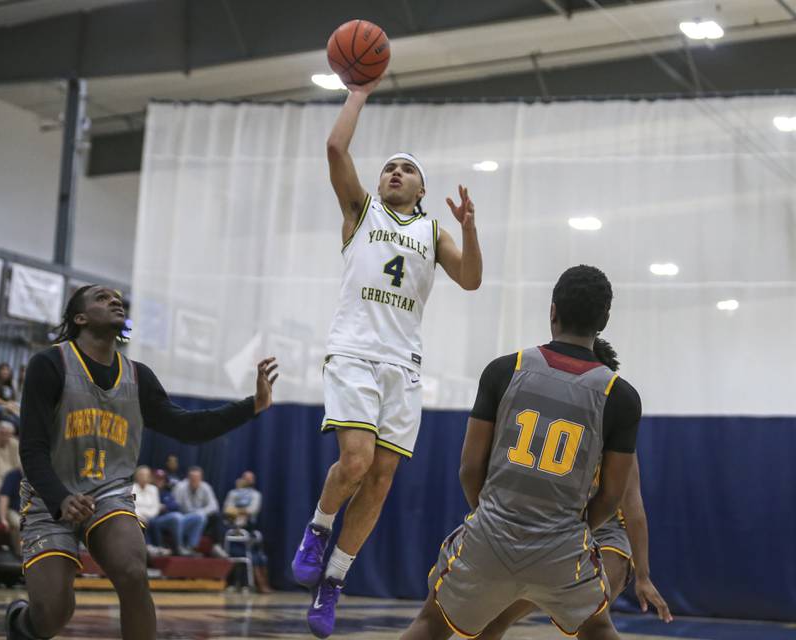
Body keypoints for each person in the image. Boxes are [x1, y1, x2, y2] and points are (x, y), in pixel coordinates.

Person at [291, 76, 483, 638]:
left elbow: (470, 279)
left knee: (379, 481)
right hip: (353, 351)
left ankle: (334, 583)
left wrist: (470, 231)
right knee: (354, 462)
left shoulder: (432, 230)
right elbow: (334, 149)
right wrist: (359, 90)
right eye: (388, 168)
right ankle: (319, 529)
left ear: (421, 187)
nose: (394, 172)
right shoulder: (361, 212)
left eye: (407, 169)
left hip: (404, 366)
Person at [5, 284, 278, 640]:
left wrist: (252, 405)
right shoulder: (51, 364)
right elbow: (32, 449)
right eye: (102, 298)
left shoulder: (138, 376)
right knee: (54, 613)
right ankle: (21, 624)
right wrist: (60, 499)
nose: (115, 300)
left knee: (134, 572)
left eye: (118, 298)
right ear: (80, 317)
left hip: (108, 494)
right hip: (49, 497)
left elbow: (188, 427)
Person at [400, 265, 641, 640]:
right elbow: (612, 496)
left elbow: (469, 468)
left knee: (431, 624)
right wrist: (571, 530)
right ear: (604, 320)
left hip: (491, 535)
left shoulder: (503, 370)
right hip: (562, 547)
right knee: (598, 628)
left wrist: (495, 516)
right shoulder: (621, 397)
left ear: (552, 310)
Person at [476, 339, 672, 639]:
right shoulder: (543, 417)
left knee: (591, 619)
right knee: (493, 620)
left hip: (605, 533)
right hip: (554, 529)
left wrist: (643, 576)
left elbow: (633, 509)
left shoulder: (613, 433)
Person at [224, 470, 271, 592]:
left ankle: (255, 584)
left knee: (256, 556)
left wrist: (237, 511)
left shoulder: (255, 495)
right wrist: (238, 512)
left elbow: (252, 510)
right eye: (246, 478)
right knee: (234, 552)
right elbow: (227, 510)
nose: (248, 481)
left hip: (249, 528)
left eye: (251, 478)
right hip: (232, 528)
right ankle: (233, 582)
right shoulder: (233, 494)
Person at [147, 469, 205, 556]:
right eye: (157, 479)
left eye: (162, 479)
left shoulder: (166, 493)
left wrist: (165, 506)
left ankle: (191, 547)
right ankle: (179, 547)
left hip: (172, 518)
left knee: (199, 517)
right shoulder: (149, 491)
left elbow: (175, 506)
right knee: (176, 516)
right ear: (152, 479)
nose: (160, 481)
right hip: (156, 519)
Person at [173, 466, 225, 557]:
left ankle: (217, 546)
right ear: (188, 478)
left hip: (201, 517)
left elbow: (214, 506)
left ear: (201, 478)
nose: (194, 480)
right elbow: (176, 505)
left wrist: (201, 512)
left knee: (216, 516)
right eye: (192, 478)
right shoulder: (180, 487)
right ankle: (189, 547)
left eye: (197, 478)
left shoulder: (206, 487)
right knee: (180, 517)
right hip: (185, 517)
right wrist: (194, 514)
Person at [0, 466, 22, 557]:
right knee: (19, 523)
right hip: (12, 510)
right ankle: (21, 555)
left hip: (28, 512)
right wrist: (3, 519)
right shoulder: (12, 476)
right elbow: (4, 499)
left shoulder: (35, 476)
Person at [0, 421, 20, 490]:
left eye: (8, 434)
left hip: (13, 479)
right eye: (2, 433)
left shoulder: (15, 444)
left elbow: (18, 465)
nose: (5, 436)